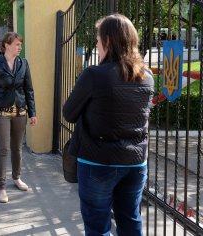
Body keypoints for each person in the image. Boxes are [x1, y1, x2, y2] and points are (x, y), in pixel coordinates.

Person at [62, 14, 154, 236]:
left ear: (108, 41)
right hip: (135, 163)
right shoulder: (147, 76)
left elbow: (68, 113)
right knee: (131, 221)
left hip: (98, 162)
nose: (96, 43)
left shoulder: (94, 75)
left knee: (97, 225)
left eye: (98, 38)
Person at [0, 32, 37, 203]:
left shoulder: (23, 63)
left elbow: (29, 90)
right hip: (1, 111)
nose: (20, 47)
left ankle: (16, 178)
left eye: (21, 44)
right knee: (4, 149)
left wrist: (33, 113)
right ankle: (1, 187)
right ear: (7, 45)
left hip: (20, 111)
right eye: (17, 44)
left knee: (17, 148)